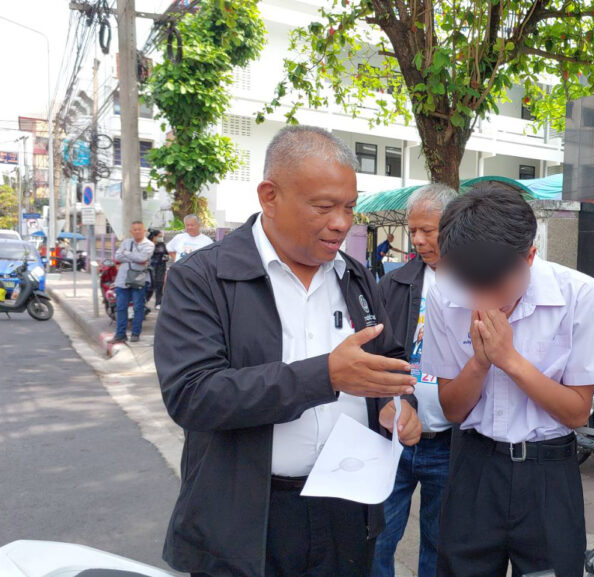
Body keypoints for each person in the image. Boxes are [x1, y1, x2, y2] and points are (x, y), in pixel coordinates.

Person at [155, 125, 423, 577]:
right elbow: (193, 394)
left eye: (349, 207)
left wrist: (397, 402)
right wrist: (326, 376)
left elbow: (389, 358)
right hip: (249, 519)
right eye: (323, 206)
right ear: (270, 196)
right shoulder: (203, 278)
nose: (342, 222)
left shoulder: (355, 276)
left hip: (347, 507)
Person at [422, 184, 594, 577]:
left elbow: (577, 412)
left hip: (549, 473)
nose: (483, 298)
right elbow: (452, 409)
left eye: (495, 285)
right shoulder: (445, 296)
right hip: (474, 467)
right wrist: (480, 363)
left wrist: (510, 360)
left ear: (529, 257)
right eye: (471, 285)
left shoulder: (578, 294)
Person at [373, 183, 458, 577]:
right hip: (395, 439)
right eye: (413, 231)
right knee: (378, 539)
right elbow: (374, 355)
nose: (418, 240)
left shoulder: (479, 285)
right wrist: (388, 404)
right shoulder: (393, 284)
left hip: (450, 443)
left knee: (440, 547)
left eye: (428, 230)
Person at [112, 221, 154, 344]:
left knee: (138, 307)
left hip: (138, 279)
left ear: (144, 231)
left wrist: (126, 253)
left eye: (139, 229)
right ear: (131, 231)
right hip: (122, 279)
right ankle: (120, 334)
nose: (137, 231)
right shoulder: (126, 242)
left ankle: (135, 333)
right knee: (121, 308)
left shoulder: (149, 244)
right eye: (134, 229)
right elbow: (117, 256)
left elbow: (143, 258)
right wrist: (136, 258)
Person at [148, 228, 168, 310]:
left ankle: (158, 302)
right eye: (159, 236)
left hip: (160, 266)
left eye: (161, 236)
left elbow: (166, 253)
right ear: (154, 236)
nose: (161, 238)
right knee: (149, 285)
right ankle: (144, 301)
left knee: (160, 284)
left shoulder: (162, 244)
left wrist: (166, 258)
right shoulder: (147, 244)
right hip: (150, 267)